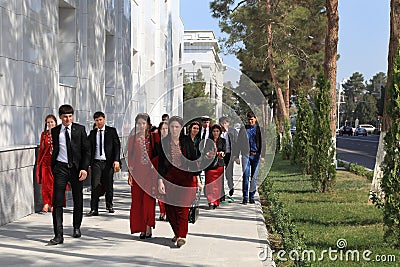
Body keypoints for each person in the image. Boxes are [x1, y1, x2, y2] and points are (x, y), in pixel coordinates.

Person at [49, 104, 91, 245]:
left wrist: (84, 168)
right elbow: (55, 149)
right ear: (60, 117)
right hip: (60, 168)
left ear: (73, 116)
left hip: (76, 169)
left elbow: (86, 151)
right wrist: (54, 167)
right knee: (57, 201)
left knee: (77, 199)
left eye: (70, 116)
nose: (68, 119)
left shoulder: (80, 129)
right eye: (65, 117)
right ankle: (58, 235)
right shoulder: (55, 131)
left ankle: (76, 227)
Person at [157, 116, 200, 248]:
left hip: (185, 178)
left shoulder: (187, 141)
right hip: (169, 178)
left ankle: (182, 235)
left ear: (181, 128)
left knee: (182, 208)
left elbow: (194, 160)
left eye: (177, 127)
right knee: (170, 209)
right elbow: (160, 164)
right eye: (172, 127)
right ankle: (177, 232)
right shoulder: (164, 142)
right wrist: (160, 181)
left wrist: (197, 179)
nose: (174, 129)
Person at [127, 113, 159, 239]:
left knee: (149, 200)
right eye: (138, 124)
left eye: (143, 123)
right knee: (137, 201)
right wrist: (130, 174)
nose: (141, 126)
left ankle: (148, 227)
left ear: (148, 125)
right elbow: (130, 158)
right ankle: (141, 227)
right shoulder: (133, 139)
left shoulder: (154, 138)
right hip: (137, 174)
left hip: (150, 174)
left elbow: (158, 155)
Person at [87, 111, 121, 216]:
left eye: (100, 120)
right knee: (95, 185)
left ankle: (109, 204)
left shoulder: (111, 131)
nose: (99, 122)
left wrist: (116, 160)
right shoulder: (92, 133)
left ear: (104, 119)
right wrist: (88, 164)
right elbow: (88, 149)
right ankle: (94, 208)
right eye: (96, 120)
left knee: (108, 184)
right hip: (96, 162)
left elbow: (117, 146)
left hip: (108, 162)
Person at [235, 111, 265, 205]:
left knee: (254, 177)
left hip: (256, 155)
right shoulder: (243, 129)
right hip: (246, 155)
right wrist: (236, 156)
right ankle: (245, 197)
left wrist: (262, 155)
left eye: (252, 119)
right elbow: (238, 143)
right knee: (246, 175)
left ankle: (252, 196)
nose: (250, 121)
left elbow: (263, 143)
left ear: (255, 119)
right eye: (249, 120)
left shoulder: (260, 129)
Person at [36, 114, 58, 213]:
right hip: (45, 161)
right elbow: (41, 149)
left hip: (56, 161)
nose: (50, 124)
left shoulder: (59, 133)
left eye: (51, 122)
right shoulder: (44, 134)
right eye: (48, 122)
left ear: (55, 123)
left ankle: (53, 203)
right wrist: (39, 162)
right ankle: (46, 203)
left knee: (54, 183)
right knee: (45, 183)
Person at [204, 124, 226, 209]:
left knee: (217, 184)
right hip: (210, 166)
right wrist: (212, 154)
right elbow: (206, 152)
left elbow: (224, 152)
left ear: (220, 132)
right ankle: (211, 201)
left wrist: (219, 154)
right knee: (210, 184)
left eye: (217, 131)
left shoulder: (223, 141)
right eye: (214, 131)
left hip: (219, 165)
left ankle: (216, 201)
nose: (215, 133)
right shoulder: (208, 141)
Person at [219, 116, 238, 197]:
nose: (223, 125)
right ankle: (221, 193)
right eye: (222, 123)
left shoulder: (232, 132)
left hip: (229, 155)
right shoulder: (218, 132)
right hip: (220, 156)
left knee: (229, 173)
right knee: (220, 174)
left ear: (228, 123)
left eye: (225, 123)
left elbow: (237, 144)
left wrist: (235, 156)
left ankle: (231, 187)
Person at [157, 121, 168, 221]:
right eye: (162, 129)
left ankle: (168, 212)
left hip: (170, 171)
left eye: (166, 129)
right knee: (160, 193)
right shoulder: (157, 141)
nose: (164, 131)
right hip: (159, 169)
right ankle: (162, 211)